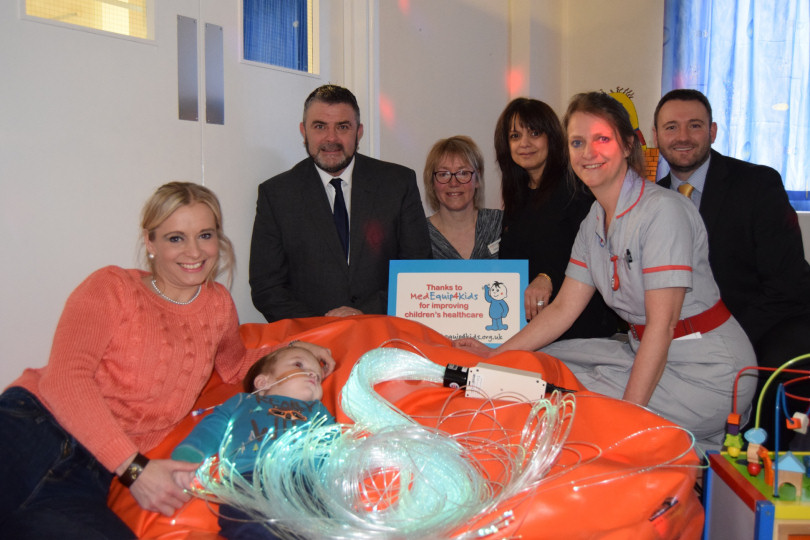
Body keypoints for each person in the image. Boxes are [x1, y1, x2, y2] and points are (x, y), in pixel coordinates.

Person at [0, 182, 335, 539]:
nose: (194, 251)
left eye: (205, 235)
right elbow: (65, 380)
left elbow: (237, 366)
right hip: (33, 428)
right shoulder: (112, 287)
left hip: (88, 474)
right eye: (176, 238)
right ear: (150, 242)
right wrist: (133, 469)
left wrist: (301, 349)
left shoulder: (218, 305)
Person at [457, 92, 757, 450]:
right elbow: (563, 310)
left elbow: (661, 327)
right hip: (642, 349)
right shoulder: (594, 221)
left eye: (602, 139)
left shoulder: (663, 212)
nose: (588, 152)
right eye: (578, 142)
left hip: (706, 372)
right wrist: (496, 355)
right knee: (528, 365)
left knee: (551, 398)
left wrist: (626, 418)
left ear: (628, 144)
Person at [654, 88, 810, 446]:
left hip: (769, 321)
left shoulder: (757, 184)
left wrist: (720, 336)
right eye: (671, 127)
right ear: (657, 136)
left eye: (694, 126)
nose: (682, 137)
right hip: (690, 331)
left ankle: (756, 479)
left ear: (713, 132)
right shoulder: (653, 199)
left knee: (773, 374)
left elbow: (786, 286)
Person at [249, 84, 432, 322]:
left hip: (384, 332)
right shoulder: (276, 195)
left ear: (359, 132)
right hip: (309, 341)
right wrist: (322, 327)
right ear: (304, 131)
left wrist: (364, 313)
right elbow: (267, 287)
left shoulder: (398, 184)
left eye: (343, 127)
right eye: (320, 126)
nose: (331, 138)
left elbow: (417, 270)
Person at [172, 344, 335, 539]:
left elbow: (332, 443)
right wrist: (188, 456)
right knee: (252, 530)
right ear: (263, 382)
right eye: (299, 365)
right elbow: (212, 427)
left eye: (318, 376)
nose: (312, 374)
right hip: (250, 479)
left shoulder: (318, 411)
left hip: (302, 483)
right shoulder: (244, 402)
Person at [494, 97, 618, 338]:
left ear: (552, 136)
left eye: (535, 133)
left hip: (580, 331)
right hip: (530, 330)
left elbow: (589, 252)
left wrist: (547, 276)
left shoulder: (577, 189)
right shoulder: (517, 195)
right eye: (515, 136)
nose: (525, 143)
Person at [422, 135, 502, 259]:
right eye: (444, 174)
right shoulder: (418, 235)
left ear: (477, 179)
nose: (454, 183)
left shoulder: (502, 224)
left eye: (463, 173)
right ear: (432, 182)